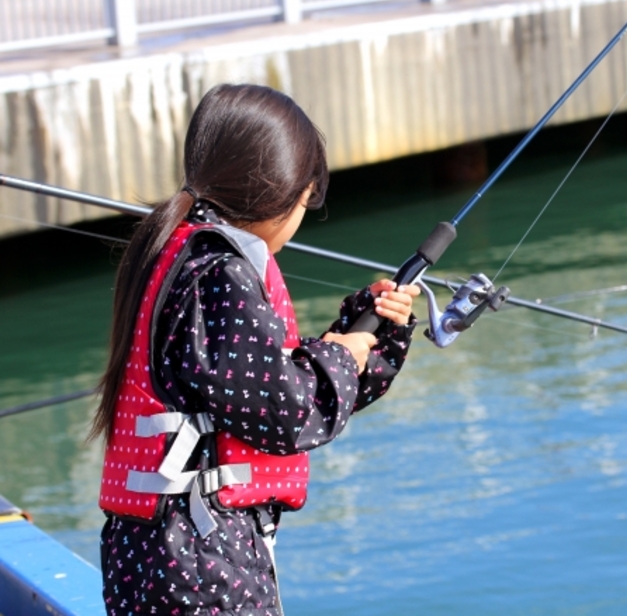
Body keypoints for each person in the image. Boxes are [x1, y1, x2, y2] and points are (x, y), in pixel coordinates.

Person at [89, 83, 420, 615]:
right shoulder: (221, 275)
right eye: (305, 202)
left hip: (151, 550)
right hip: (200, 558)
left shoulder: (176, 252)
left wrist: (369, 334)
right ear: (280, 195)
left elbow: (257, 385)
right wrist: (346, 352)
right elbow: (288, 413)